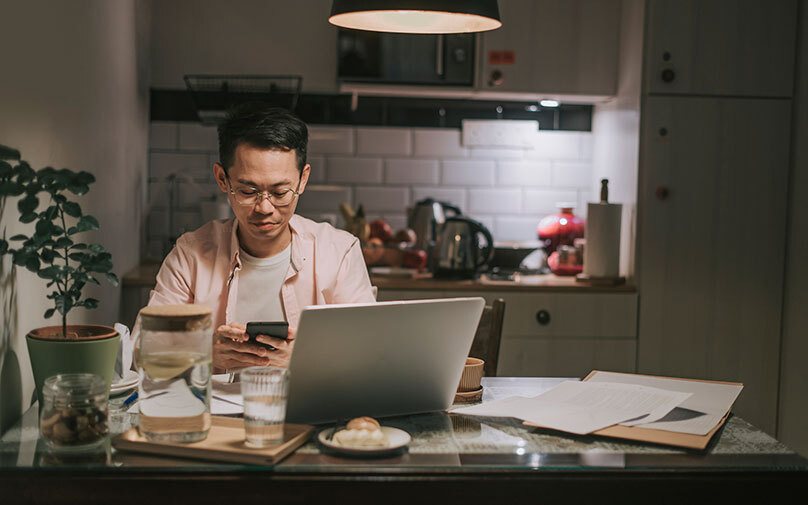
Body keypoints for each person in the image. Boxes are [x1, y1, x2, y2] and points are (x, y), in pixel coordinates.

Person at [147, 103, 376, 373]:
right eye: (247, 191)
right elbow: (145, 350)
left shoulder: (339, 252)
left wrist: (305, 359)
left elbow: (369, 352)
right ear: (222, 179)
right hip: (215, 413)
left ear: (303, 180)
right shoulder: (191, 253)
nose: (264, 208)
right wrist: (205, 355)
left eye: (280, 192)